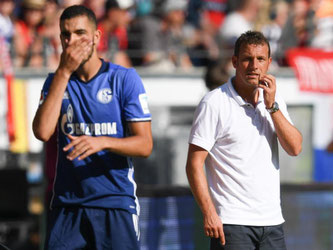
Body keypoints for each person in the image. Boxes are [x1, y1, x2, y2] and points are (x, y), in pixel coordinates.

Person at [32, 5, 153, 250]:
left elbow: (145, 144)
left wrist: (103, 141)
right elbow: (42, 132)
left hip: (114, 202)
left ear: (97, 37)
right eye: (66, 35)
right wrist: (64, 71)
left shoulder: (124, 79)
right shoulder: (56, 81)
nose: (72, 41)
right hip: (68, 205)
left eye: (80, 33)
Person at [186, 31, 302, 250]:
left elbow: (295, 147)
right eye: (247, 59)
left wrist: (272, 107)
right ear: (235, 62)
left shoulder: (275, 101)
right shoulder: (214, 102)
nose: (254, 66)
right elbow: (194, 163)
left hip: (272, 222)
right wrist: (209, 213)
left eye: (260, 59)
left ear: (269, 63)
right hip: (231, 223)